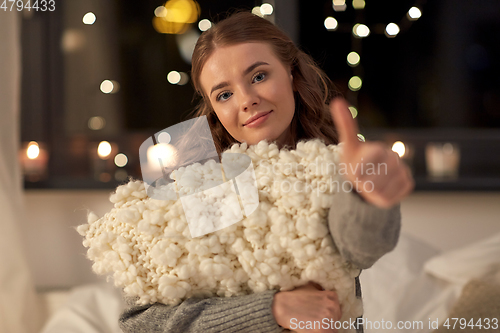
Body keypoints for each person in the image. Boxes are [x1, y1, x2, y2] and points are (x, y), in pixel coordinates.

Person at [119, 11, 414, 333]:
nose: (247, 100)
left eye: (259, 76)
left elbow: (359, 247)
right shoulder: (196, 182)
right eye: (224, 94)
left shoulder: (335, 167)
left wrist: (364, 195)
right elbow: (140, 323)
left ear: (291, 72)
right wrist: (270, 310)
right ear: (214, 108)